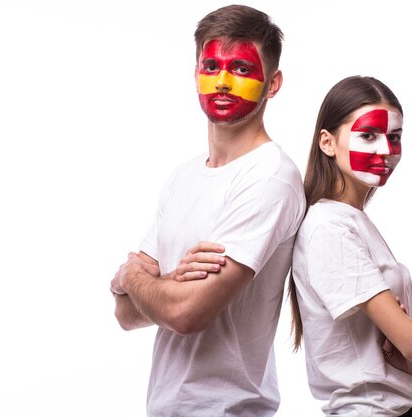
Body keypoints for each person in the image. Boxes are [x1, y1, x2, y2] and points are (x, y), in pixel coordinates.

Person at [110, 5, 305, 417]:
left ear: (273, 84)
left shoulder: (270, 178)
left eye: (240, 68)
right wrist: (164, 284)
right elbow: (125, 313)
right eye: (211, 65)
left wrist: (133, 275)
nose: (222, 81)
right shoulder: (183, 177)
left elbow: (184, 313)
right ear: (195, 72)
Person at [288, 75, 412, 417]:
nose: (385, 150)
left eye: (395, 137)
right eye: (368, 135)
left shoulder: (352, 221)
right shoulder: (330, 228)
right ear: (327, 142)